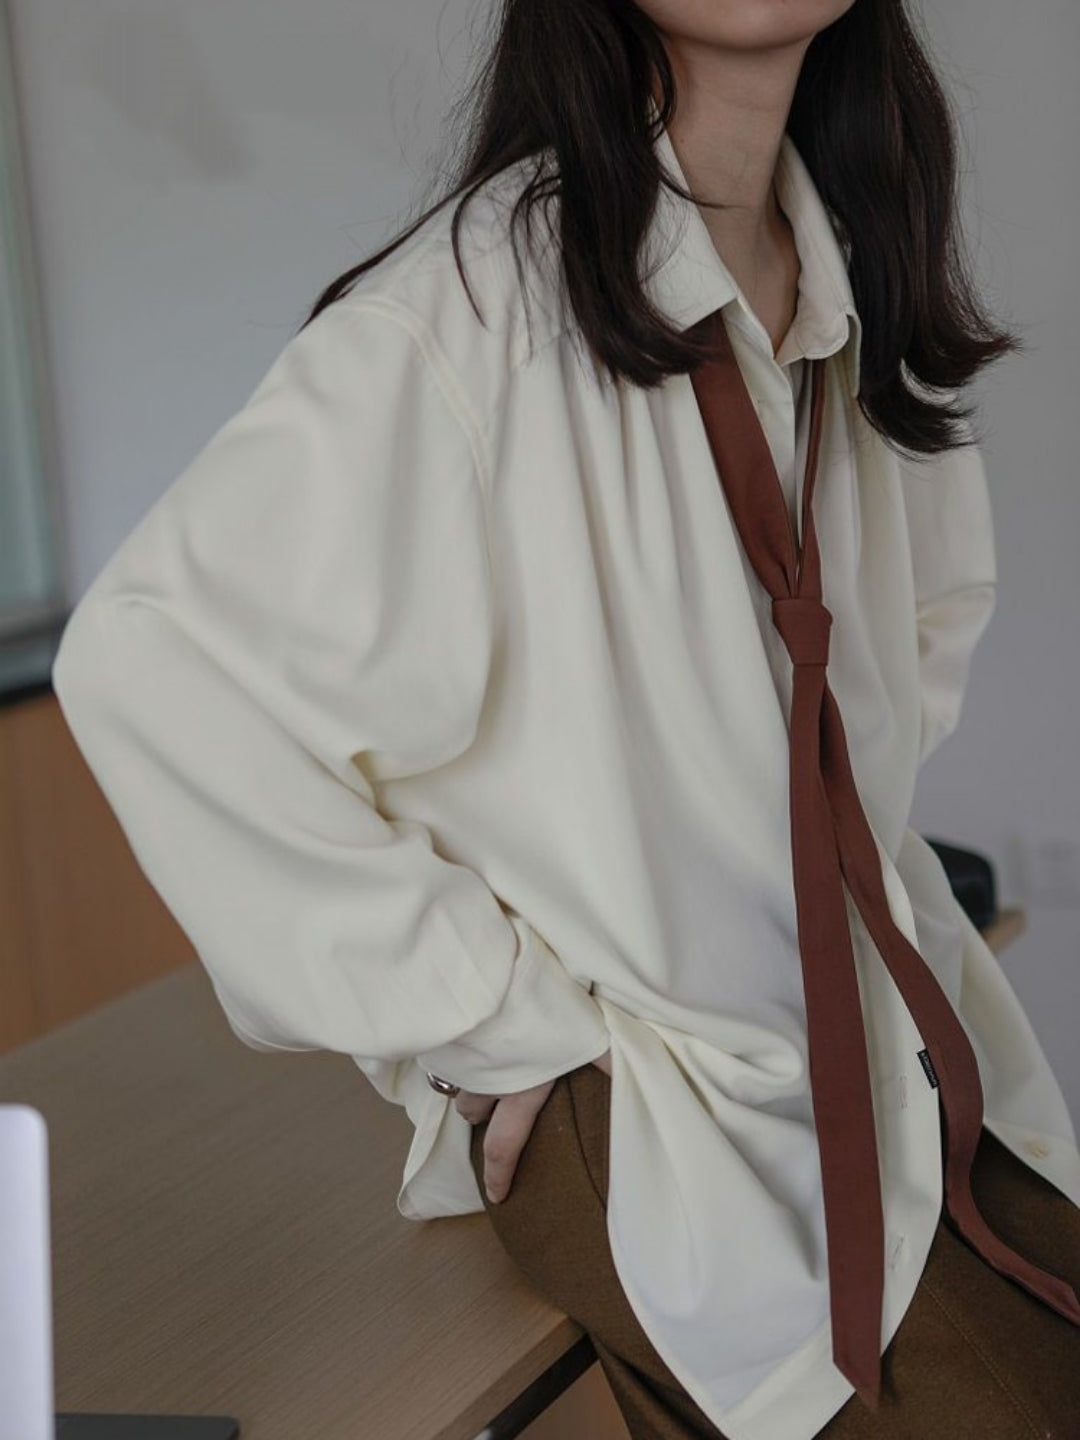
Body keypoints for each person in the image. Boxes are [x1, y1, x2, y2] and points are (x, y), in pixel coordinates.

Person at [50, 0, 1080, 1436]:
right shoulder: (476, 307)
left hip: (873, 1043)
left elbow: (920, 628)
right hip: (664, 1108)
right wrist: (490, 1008)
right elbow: (155, 660)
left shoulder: (847, 261)